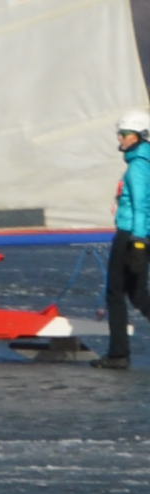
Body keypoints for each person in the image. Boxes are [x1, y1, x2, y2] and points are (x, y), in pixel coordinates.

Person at [109, 110, 149, 372]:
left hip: (131, 235)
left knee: (115, 293)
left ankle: (118, 355)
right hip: (136, 233)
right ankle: (118, 353)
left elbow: (142, 206)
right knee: (136, 294)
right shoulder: (140, 162)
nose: (120, 139)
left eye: (124, 134)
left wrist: (136, 242)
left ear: (137, 136)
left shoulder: (138, 166)